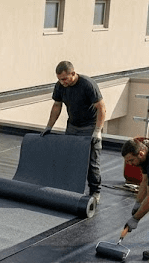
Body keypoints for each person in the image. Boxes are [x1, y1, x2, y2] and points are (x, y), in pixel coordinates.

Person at [42, 61, 106, 200]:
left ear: (73, 73)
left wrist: (97, 131)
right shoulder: (60, 86)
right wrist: (49, 127)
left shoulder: (87, 84)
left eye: (64, 78)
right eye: (59, 79)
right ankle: (72, 189)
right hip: (72, 126)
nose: (62, 82)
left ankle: (95, 192)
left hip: (90, 127)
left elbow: (101, 108)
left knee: (91, 162)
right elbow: (56, 106)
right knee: (71, 158)